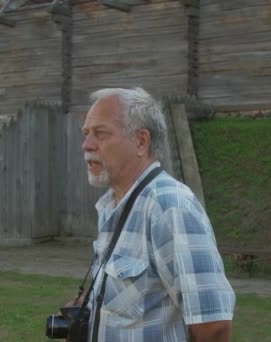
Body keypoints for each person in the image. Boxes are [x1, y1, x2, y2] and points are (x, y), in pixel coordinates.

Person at [79, 87, 235, 341]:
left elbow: (214, 327)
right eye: (86, 134)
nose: (87, 145)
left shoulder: (170, 207)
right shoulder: (112, 205)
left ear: (141, 141)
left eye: (101, 133)